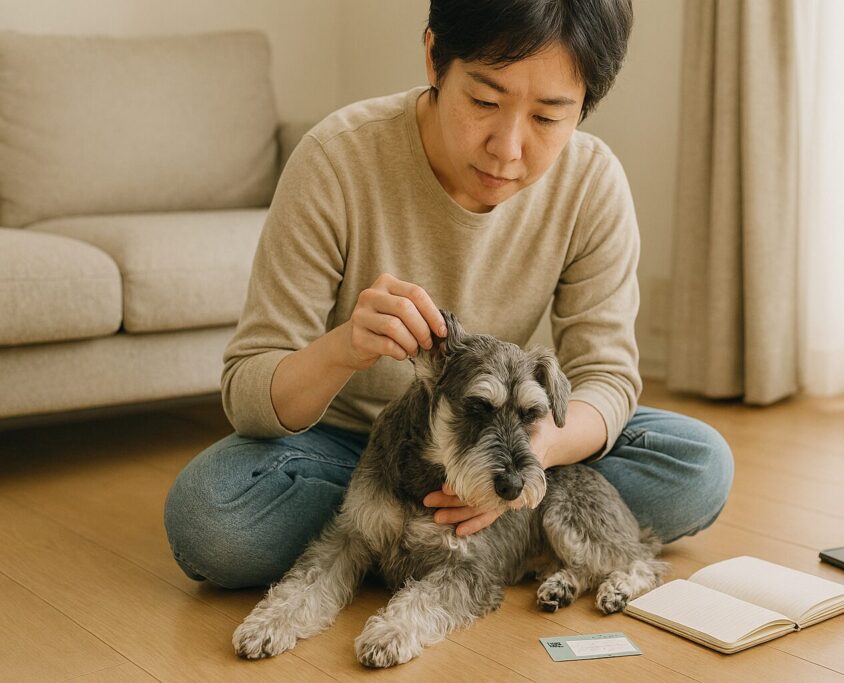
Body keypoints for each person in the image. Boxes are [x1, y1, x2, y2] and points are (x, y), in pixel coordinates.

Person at [164, 0, 733, 589]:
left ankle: (416, 542)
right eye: (485, 101)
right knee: (209, 516)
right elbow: (248, 392)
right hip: (348, 452)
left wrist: (519, 463)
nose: (508, 148)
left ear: (584, 106)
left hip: (517, 443)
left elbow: (607, 378)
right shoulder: (336, 159)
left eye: (547, 118)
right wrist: (344, 348)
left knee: (699, 464)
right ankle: (445, 539)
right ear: (436, 57)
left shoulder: (592, 182)